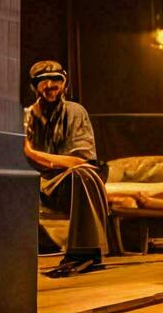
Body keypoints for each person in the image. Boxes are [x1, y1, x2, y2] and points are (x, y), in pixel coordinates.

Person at [24, 60, 109, 276]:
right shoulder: (26, 116)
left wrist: (33, 154)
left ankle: (84, 252)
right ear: (34, 86)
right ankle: (84, 250)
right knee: (84, 174)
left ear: (65, 84)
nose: (50, 85)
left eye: (56, 80)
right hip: (34, 183)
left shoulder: (75, 112)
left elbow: (81, 160)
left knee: (85, 174)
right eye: (43, 81)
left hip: (66, 181)